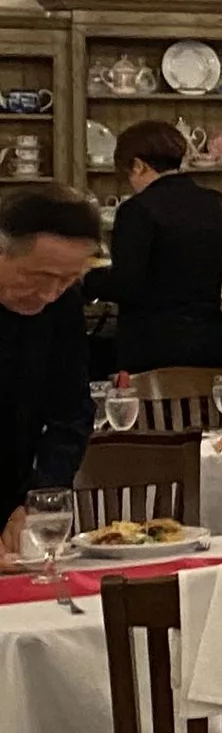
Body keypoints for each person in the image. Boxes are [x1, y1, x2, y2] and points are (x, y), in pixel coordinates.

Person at [0, 186, 102, 560]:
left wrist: (39, 500)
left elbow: (71, 412)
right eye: (38, 276)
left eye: (67, 279)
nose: (49, 294)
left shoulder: (62, 303)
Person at [104, 120, 222, 374]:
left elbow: (126, 284)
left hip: (151, 346)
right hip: (209, 340)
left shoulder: (137, 209)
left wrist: (86, 278)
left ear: (138, 165)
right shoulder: (215, 203)